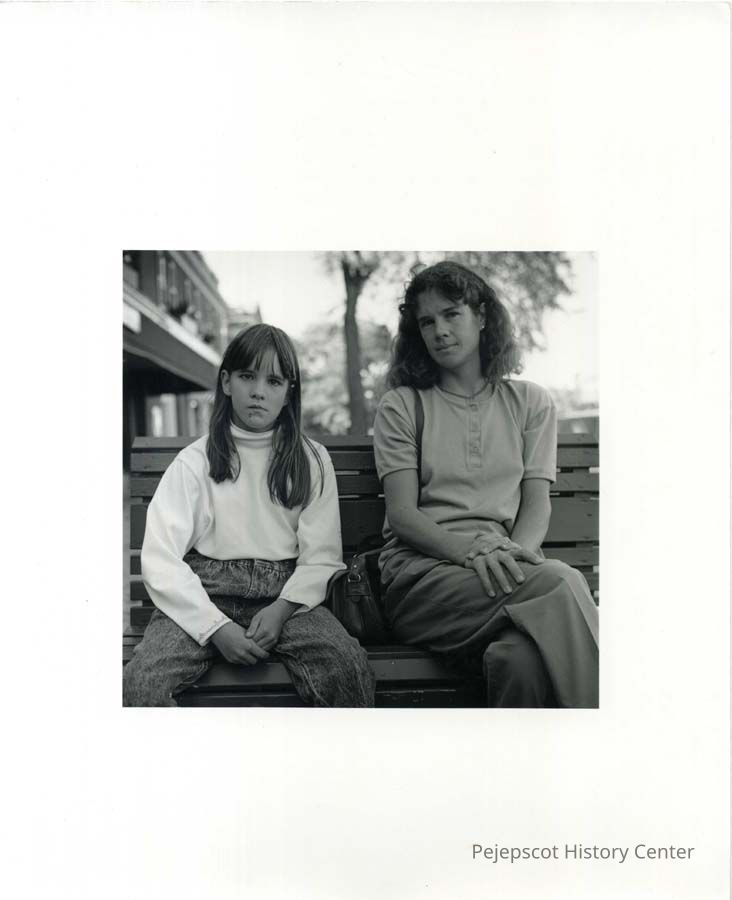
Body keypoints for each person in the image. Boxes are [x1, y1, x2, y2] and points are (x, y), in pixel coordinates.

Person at [373, 261, 598, 708]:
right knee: (559, 581)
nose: (439, 331)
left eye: (451, 314)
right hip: (424, 580)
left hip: (507, 572)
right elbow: (402, 515)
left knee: (518, 661)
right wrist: (469, 551)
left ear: (481, 316)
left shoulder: (530, 402)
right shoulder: (403, 406)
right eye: (427, 322)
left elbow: (536, 503)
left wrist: (515, 555)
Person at [124, 324, 375, 707]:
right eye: (247, 376)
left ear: (289, 392)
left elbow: (321, 557)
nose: (259, 391)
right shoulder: (194, 462)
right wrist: (216, 628)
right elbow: (162, 557)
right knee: (142, 683)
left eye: (274, 381)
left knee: (347, 669)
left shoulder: (311, 460)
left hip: (286, 596)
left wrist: (281, 611)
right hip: (205, 593)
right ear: (226, 382)